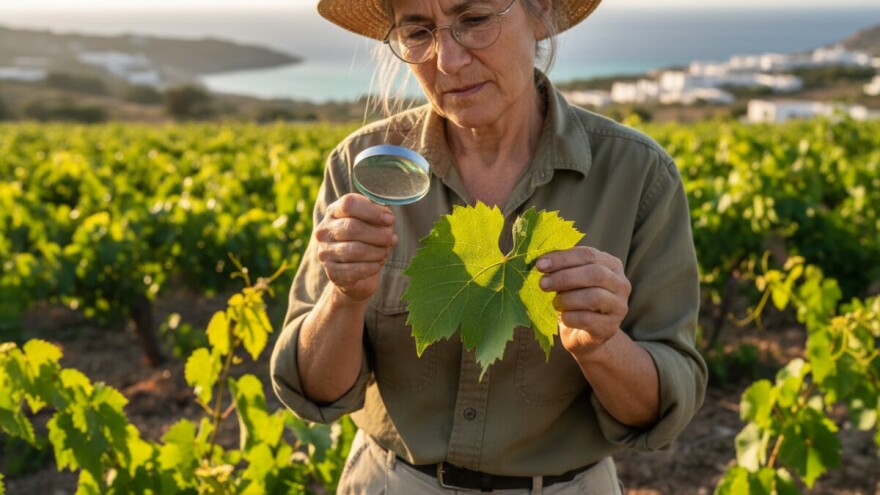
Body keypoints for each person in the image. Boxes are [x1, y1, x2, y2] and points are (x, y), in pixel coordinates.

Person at [271, 0, 708, 492]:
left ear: (540, 13)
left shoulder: (637, 175)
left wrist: (603, 349)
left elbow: (662, 409)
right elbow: (314, 389)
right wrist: (343, 298)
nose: (447, 61)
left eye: (474, 21)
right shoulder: (362, 167)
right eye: (418, 33)